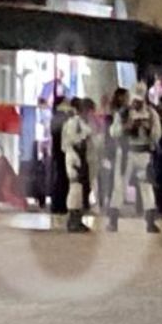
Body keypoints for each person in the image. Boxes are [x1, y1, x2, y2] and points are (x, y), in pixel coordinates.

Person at [110, 84, 162, 233]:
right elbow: (114, 132)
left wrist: (147, 129)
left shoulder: (151, 114)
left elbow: (157, 135)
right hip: (126, 153)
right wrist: (127, 127)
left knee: (147, 187)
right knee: (120, 186)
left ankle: (150, 221)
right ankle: (113, 221)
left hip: (143, 154)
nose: (136, 104)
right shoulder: (123, 113)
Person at [61, 98, 97, 233]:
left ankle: (78, 218)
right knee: (75, 188)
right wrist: (83, 136)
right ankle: (72, 219)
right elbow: (71, 141)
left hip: (83, 157)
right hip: (73, 156)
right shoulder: (73, 123)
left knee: (81, 189)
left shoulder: (83, 123)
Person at [98, 88, 128, 213]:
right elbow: (107, 132)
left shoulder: (123, 112)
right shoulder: (113, 114)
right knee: (111, 176)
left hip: (120, 147)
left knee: (117, 176)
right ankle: (108, 201)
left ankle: (113, 202)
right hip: (112, 147)